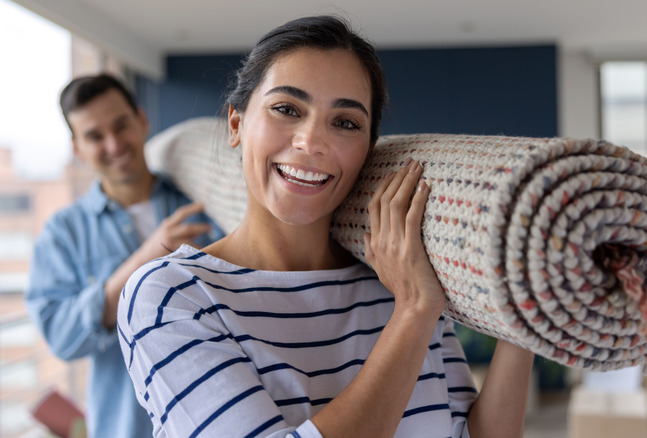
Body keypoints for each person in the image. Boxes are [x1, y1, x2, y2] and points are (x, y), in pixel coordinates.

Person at [118, 15, 534, 438]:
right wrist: (412, 313)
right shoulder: (170, 295)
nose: (311, 141)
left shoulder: (398, 273)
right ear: (237, 124)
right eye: (286, 109)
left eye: (346, 123)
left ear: (367, 150)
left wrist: (527, 302)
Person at [25, 74, 224, 438]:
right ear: (77, 148)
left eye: (121, 126)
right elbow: (62, 339)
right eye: (95, 136)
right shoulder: (63, 233)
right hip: (125, 427)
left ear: (142, 120)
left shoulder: (201, 198)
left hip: (214, 419)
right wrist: (146, 257)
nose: (114, 144)